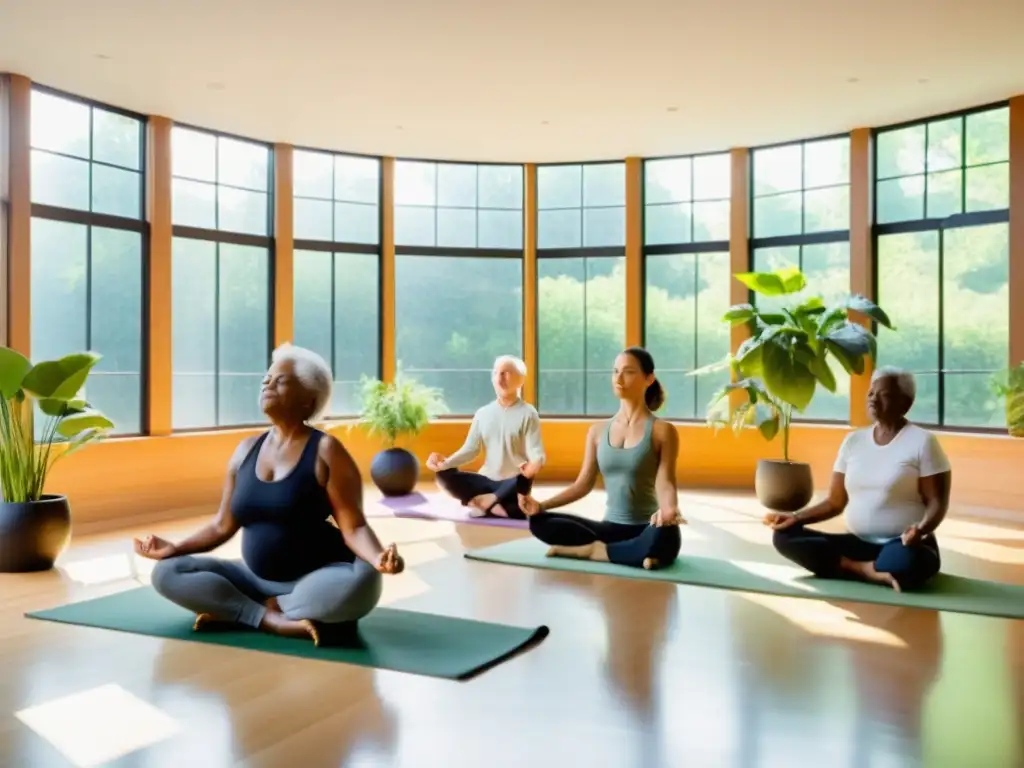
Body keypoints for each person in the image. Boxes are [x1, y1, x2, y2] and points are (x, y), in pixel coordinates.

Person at [134, 343, 405, 646]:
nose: (267, 383)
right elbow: (222, 525)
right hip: (253, 578)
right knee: (167, 572)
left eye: (281, 379)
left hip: (316, 579)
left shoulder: (326, 451)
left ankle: (241, 610)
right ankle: (269, 618)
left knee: (364, 580)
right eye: (266, 378)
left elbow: (353, 526)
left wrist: (379, 558)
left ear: (307, 400)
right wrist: (175, 548)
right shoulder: (245, 450)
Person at [765, 366, 952, 592]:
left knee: (907, 563)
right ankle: (863, 568)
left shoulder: (923, 442)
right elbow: (835, 502)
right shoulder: (853, 441)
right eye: (871, 393)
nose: (873, 399)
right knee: (784, 537)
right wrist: (795, 518)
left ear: (905, 403)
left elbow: (937, 502)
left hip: (904, 543)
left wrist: (920, 530)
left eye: (883, 394)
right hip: (858, 543)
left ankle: (850, 566)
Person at [517, 347, 686, 570]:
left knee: (667, 533)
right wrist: (541, 505)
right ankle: (636, 555)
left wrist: (668, 509)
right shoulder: (597, 432)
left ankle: (596, 551)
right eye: (615, 371)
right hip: (608, 529)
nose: (619, 378)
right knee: (539, 523)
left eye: (628, 372)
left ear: (649, 378)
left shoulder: (663, 431)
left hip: (647, 527)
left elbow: (665, 481)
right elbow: (582, 485)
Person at [425, 355, 545, 519]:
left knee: (522, 489)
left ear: (521, 380)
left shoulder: (529, 413)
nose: (500, 378)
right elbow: (470, 449)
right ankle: (495, 505)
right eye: (497, 373)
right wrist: (445, 463)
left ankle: (487, 503)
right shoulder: (483, 413)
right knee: (443, 474)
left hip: (512, 484)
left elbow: (535, 450)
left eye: (506, 373)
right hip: (485, 480)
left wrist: (536, 461)